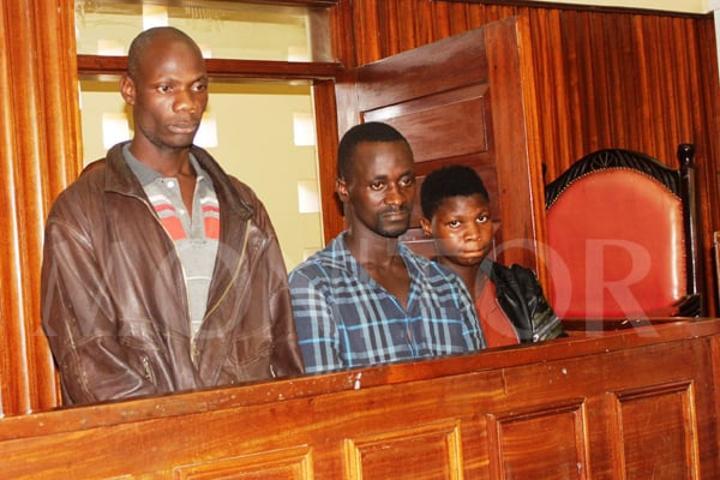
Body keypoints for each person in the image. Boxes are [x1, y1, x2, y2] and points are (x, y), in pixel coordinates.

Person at [41, 27, 303, 405]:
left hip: (246, 428)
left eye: (198, 87)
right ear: (129, 90)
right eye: (167, 88)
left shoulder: (243, 206)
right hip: (141, 436)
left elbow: (281, 339)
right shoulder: (80, 212)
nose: (187, 104)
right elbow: (89, 362)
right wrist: (180, 426)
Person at [289, 122, 484, 374]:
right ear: (344, 189)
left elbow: (482, 385)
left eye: (406, 181)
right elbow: (324, 397)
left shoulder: (447, 286)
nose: (397, 198)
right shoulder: (313, 286)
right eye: (378, 185)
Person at [419, 165, 564, 347]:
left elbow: (559, 355)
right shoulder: (411, 297)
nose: (474, 234)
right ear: (427, 227)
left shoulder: (519, 286)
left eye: (481, 219)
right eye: (455, 223)